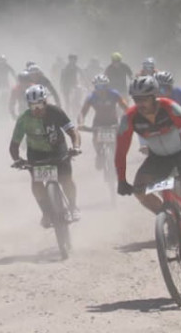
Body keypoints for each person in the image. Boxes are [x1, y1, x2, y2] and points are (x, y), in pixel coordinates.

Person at [115, 75, 181, 279]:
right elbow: (120, 150)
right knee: (140, 191)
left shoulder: (171, 107)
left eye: (144, 99)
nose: (140, 104)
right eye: (136, 99)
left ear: (155, 96)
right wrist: (122, 180)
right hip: (159, 159)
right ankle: (170, 219)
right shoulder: (129, 117)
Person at [11, 84, 82, 223]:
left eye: (39, 105)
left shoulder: (56, 112)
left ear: (45, 102)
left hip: (58, 150)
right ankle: (46, 213)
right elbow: (13, 145)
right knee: (37, 183)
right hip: (36, 154)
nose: (36, 109)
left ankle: (73, 206)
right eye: (32, 106)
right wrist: (17, 159)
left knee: (66, 179)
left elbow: (73, 132)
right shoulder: (24, 119)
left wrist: (76, 147)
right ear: (28, 105)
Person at [77, 74, 129, 169]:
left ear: (107, 86)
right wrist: (81, 123)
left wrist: (128, 118)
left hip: (113, 122)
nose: (101, 89)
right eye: (98, 87)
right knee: (96, 140)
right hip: (98, 123)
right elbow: (82, 112)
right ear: (95, 87)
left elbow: (125, 107)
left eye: (103, 86)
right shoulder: (91, 97)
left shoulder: (114, 94)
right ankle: (99, 155)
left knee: (117, 142)